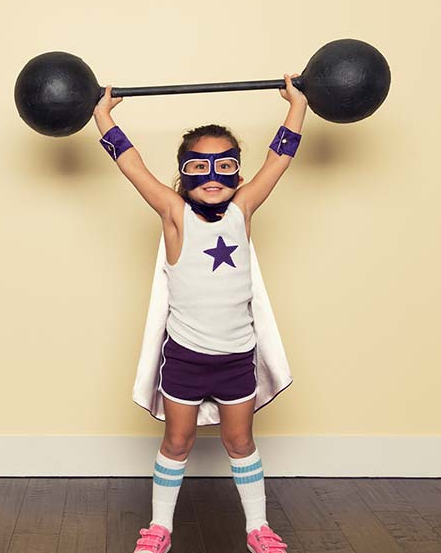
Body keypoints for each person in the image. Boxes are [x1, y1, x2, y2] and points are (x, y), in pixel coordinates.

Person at [93, 74, 307, 553]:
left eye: (226, 164)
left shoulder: (243, 208)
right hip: (187, 359)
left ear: (236, 171)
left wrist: (297, 106)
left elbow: (279, 161)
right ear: (183, 173)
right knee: (177, 443)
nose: (213, 177)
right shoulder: (173, 213)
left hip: (236, 358)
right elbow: (133, 167)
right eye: (199, 166)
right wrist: (103, 116)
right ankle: (159, 528)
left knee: (240, 443)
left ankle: (258, 528)